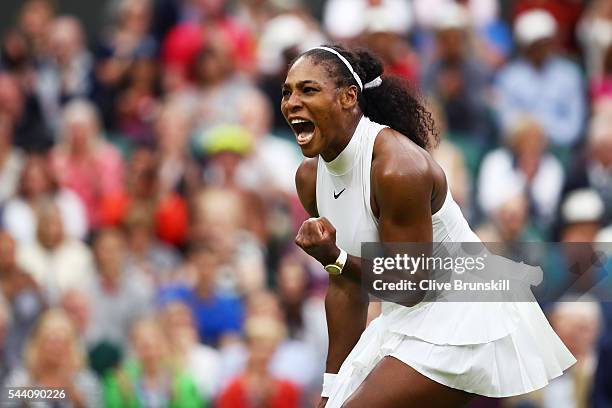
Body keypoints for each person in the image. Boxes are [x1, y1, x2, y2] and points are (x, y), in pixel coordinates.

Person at [282, 44, 576, 407]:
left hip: (469, 315)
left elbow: (410, 284)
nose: (292, 102)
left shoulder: (397, 167)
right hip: (406, 318)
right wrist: (330, 387)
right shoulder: (310, 178)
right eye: (287, 92)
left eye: (308, 90)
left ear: (348, 97)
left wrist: (337, 257)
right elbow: (345, 290)